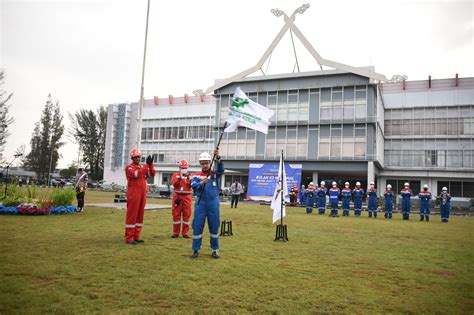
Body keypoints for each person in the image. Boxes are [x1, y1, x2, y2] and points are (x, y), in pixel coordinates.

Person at [191, 148, 224, 259]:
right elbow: (193, 185)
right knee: (197, 226)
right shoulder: (196, 175)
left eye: (207, 163)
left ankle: (215, 250)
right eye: (203, 163)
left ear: (210, 162)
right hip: (201, 203)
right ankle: (195, 250)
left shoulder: (214, 174)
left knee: (214, 226)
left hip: (213, 203)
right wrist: (201, 182)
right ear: (200, 164)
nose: (205, 165)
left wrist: (218, 157)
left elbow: (221, 169)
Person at [124, 148, 156, 245]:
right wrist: (147, 165)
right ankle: (129, 237)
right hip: (133, 194)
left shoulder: (143, 167)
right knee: (132, 215)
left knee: (140, 215)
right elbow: (138, 174)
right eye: (135, 157)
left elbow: (152, 174)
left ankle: (136, 236)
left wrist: (151, 164)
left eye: (138, 157)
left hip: (142, 194)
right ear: (132, 158)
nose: (137, 159)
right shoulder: (129, 168)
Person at [171, 159, 193, 238]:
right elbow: (174, 184)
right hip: (178, 196)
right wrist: (179, 178)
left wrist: (188, 178)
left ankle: (185, 233)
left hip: (187, 197)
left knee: (187, 215)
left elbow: (191, 185)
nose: (184, 169)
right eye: (182, 168)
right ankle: (175, 232)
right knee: (176, 215)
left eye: (185, 168)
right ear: (179, 168)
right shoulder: (175, 175)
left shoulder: (190, 176)